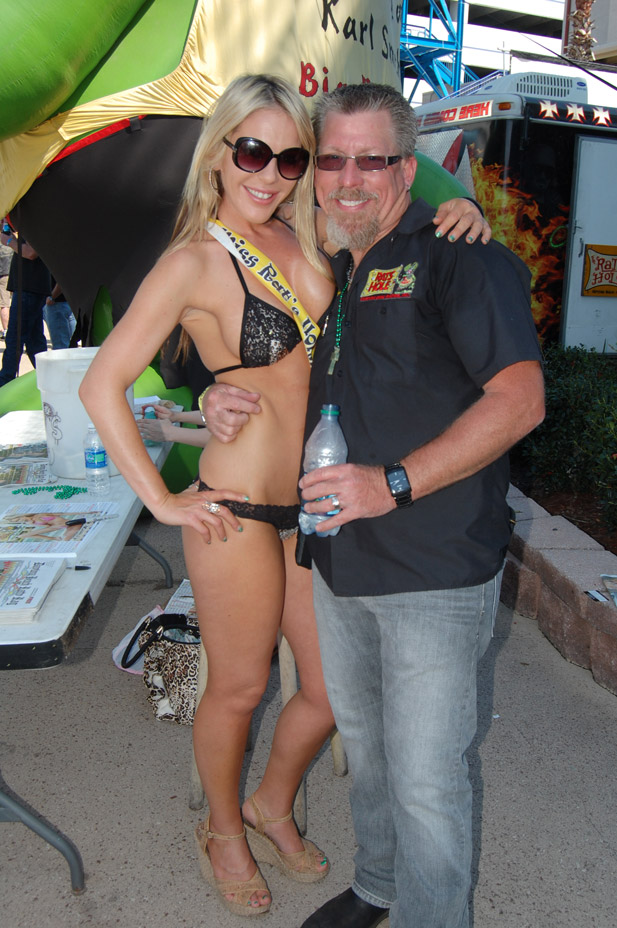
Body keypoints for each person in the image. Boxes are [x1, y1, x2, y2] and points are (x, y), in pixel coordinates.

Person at [79, 74, 490, 919]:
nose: (270, 174)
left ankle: (271, 801)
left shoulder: (312, 236)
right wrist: (162, 500)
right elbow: (101, 384)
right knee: (238, 688)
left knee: (333, 693)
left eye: (291, 158)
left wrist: (458, 212)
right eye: (252, 152)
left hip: (315, 509)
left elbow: (389, 218)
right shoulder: (192, 261)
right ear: (219, 156)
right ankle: (223, 829)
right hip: (232, 510)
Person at [201, 83, 544, 928]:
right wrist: (214, 395)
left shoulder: (459, 256)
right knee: (372, 753)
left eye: (372, 160)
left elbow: (518, 401)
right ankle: (379, 886)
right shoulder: (337, 263)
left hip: (433, 567)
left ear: (407, 167)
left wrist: (389, 483)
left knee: (426, 776)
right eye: (332, 161)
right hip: (340, 561)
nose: (349, 179)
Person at [0, 229, 50, 386]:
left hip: (29, 288)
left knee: (15, 339)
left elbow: (31, 252)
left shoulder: (34, 223)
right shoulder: (30, 223)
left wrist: (9, 241)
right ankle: (49, 381)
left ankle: (5, 383)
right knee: (34, 343)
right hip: (29, 288)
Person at [44, 281, 76, 349]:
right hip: (68, 301)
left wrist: (52, 297)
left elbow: (63, 280)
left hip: (57, 303)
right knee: (71, 346)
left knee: (61, 347)